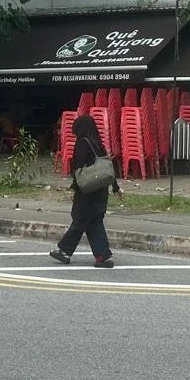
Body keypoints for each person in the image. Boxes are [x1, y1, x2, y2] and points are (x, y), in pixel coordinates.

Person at [50, 114, 122, 268]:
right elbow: (107, 167)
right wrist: (115, 187)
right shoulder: (99, 143)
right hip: (101, 191)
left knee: (80, 220)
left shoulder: (81, 143)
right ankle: (103, 256)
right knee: (94, 222)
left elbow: (78, 169)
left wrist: (74, 189)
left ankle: (64, 251)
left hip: (87, 191)